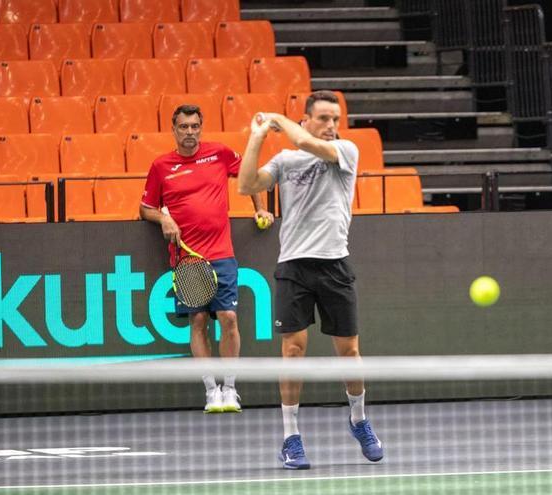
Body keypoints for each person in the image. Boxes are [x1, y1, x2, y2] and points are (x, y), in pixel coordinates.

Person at [237, 90, 383, 470]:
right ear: (306, 118)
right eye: (323, 119)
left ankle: (358, 420)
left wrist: (274, 119)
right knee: (293, 351)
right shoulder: (285, 160)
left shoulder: (346, 151)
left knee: (348, 352)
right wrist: (256, 136)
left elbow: (302, 140)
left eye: (335, 119)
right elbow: (247, 185)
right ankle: (291, 437)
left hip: (334, 265)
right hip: (294, 267)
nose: (332, 126)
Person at [139, 104, 274, 414]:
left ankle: (230, 388)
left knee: (229, 319)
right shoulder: (161, 166)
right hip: (187, 257)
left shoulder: (219, 154)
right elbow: (144, 207)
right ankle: (211, 390)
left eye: (195, 126)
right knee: (198, 321)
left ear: (201, 127)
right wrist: (163, 218)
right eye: (184, 127)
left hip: (222, 252)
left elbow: (249, 175)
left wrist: (259, 208)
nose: (190, 132)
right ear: (173, 130)